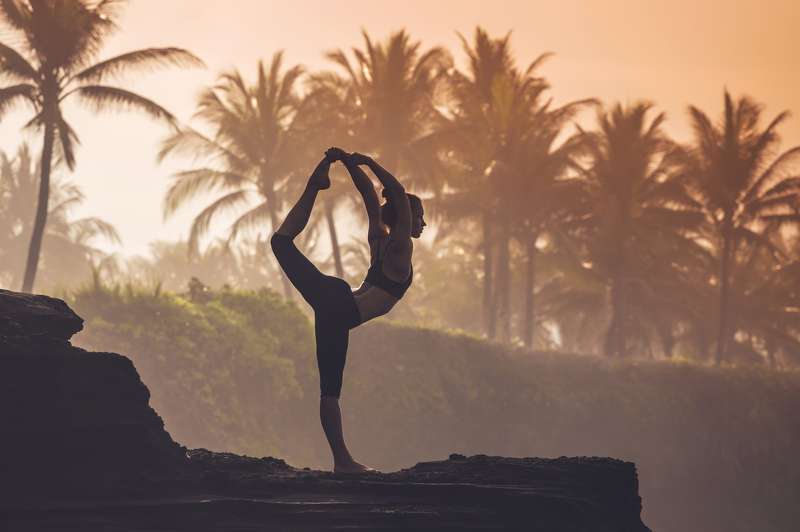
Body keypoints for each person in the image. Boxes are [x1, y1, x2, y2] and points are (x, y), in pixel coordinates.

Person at [270, 147, 426, 473]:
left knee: (329, 391)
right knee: (280, 243)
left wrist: (347, 163)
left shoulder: (378, 236)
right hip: (339, 306)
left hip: (334, 311)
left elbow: (368, 193)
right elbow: (395, 193)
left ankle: (342, 461)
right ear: (406, 218)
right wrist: (367, 162)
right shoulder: (400, 246)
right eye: (419, 216)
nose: (423, 223)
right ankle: (342, 461)